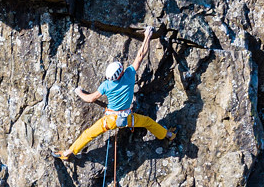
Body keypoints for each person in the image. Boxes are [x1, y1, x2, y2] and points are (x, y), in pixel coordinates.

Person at [54, 27, 175, 161]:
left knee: (88, 134)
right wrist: (148, 35)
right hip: (127, 118)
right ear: (121, 72)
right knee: (148, 122)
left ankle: (67, 153)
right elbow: (141, 55)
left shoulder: (106, 85)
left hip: (110, 121)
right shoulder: (129, 75)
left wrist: (79, 92)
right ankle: (168, 135)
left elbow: (90, 99)